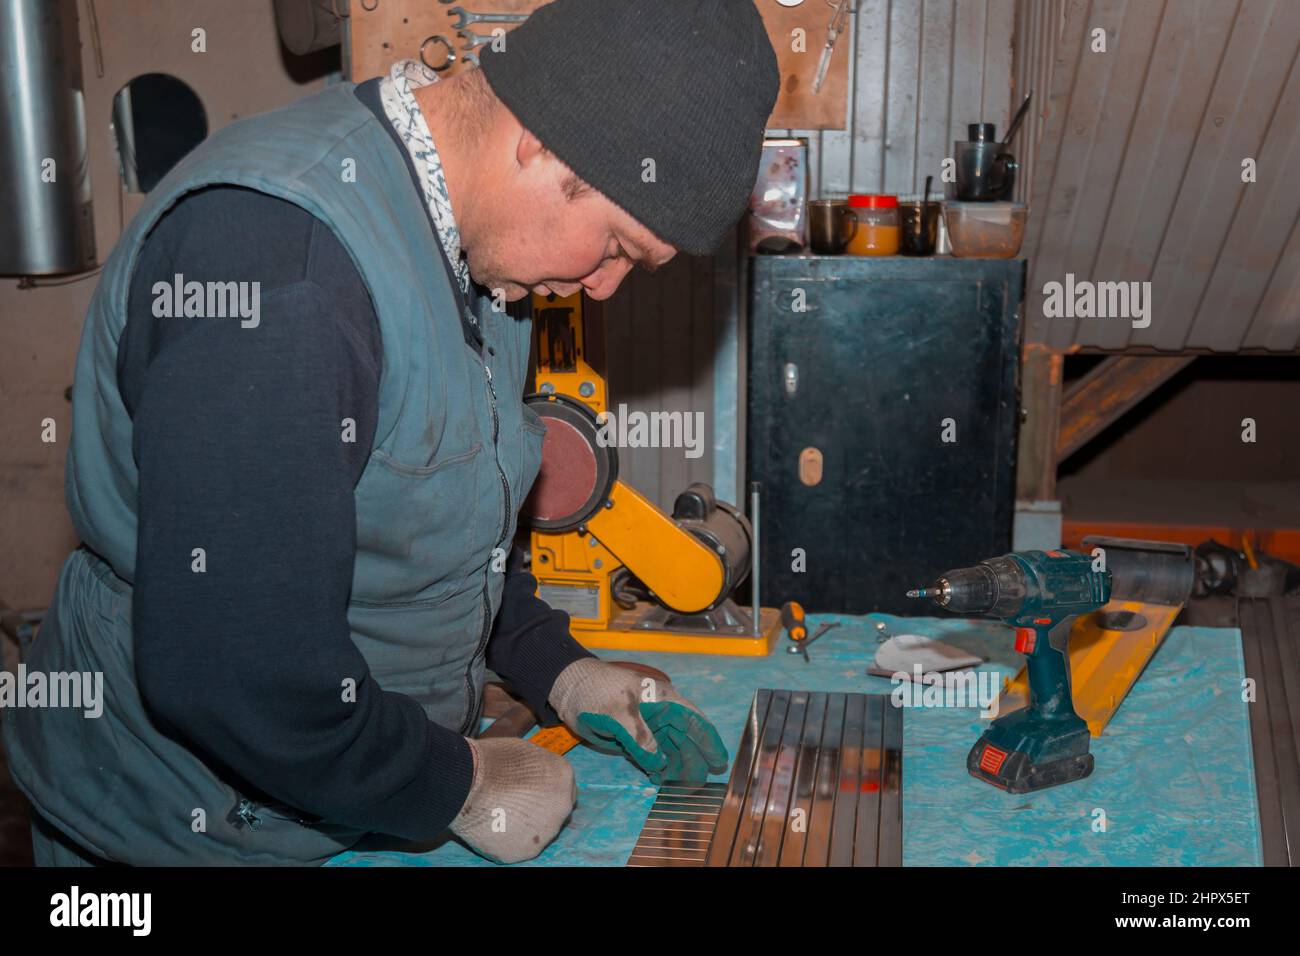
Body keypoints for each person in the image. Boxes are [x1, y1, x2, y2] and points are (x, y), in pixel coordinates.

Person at [3, 0, 779, 865]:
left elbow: (436, 525)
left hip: (346, 796)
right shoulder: (280, 269)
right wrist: (457, 786)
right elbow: (232, 669)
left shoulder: (481, 247)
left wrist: (556, 667)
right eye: (620, 248)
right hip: (176, 825)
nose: (602, 288)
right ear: (542, 145)